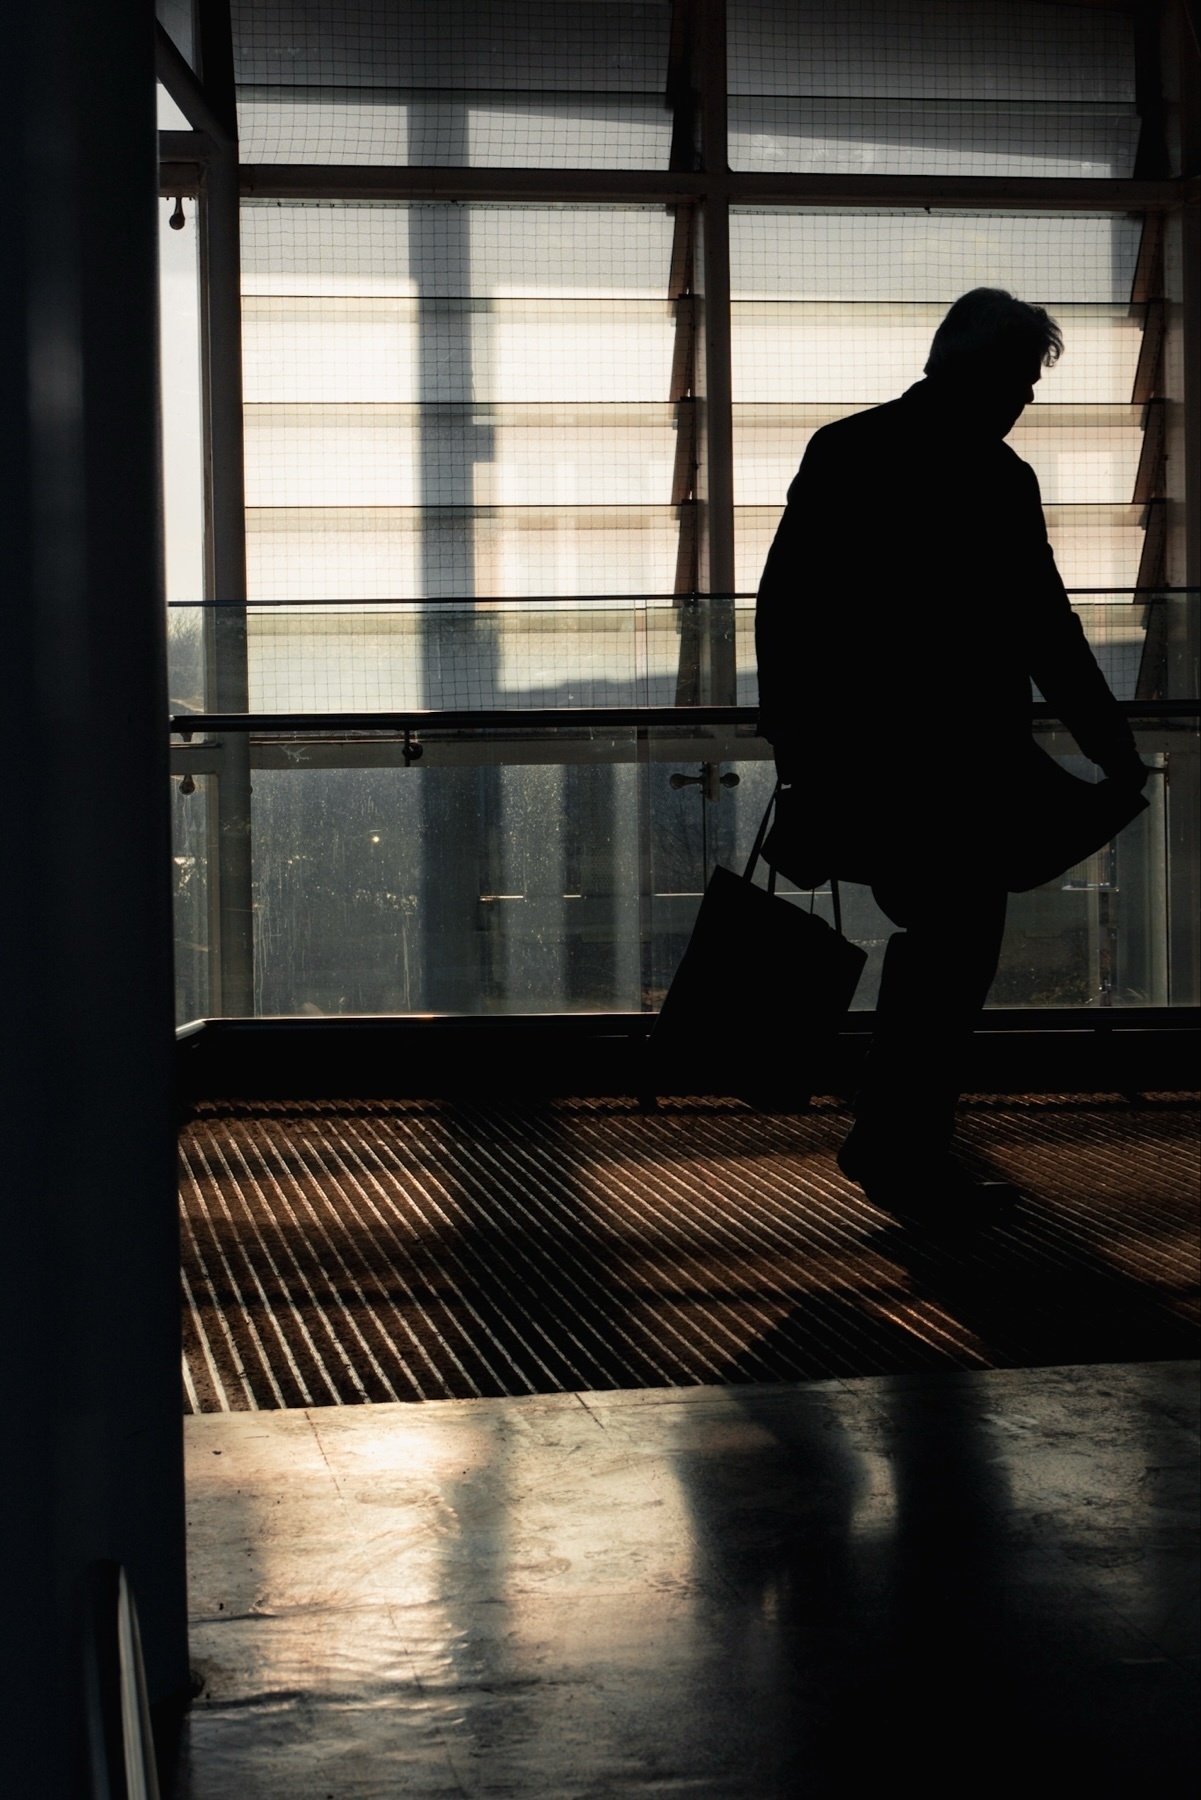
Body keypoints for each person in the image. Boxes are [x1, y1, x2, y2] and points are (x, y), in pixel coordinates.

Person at [755, 287, 1149, 1221]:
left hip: (868, 764)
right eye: (1020, 381)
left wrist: (800, 756)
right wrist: (1111, 747)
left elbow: (788, 611)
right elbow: (1043, 630)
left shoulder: (845, 451)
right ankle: (896, 1145)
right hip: (963, 771)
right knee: (950, 955)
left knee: (937, 946)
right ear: (988, 375)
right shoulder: (997, 479)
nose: (1022, 401)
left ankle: (893, 1139)